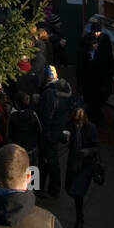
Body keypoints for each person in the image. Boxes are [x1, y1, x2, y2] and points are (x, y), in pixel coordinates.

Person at [38, 69, 73, 198]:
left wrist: (45, 132)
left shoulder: (49, 94)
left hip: (49, 133)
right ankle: (48, 187)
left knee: (47, 161)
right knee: (50, 161)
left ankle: (47, 188)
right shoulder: (66, 92)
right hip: (57, 131)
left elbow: (46, 116)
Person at [65, 104, 99, 228]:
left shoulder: (91, 129)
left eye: (79, 122)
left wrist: (88, 151)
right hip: (74, 162)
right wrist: (64, 138)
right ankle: (79, 217)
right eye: (76, 122)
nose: (77, 125)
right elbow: (64, 138)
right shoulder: (70, 126)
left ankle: (80, 219)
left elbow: (96, 147)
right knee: (69, 188)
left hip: (86, 165)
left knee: (77, 192)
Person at [77, 21, 114, 126]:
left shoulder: (105, 39)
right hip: (90, 77)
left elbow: (108, 57)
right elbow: (81, 61)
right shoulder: (86, 42)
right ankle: (93, 116)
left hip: (101, 75)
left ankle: (95, 114)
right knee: (92, 98)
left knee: (101, 96)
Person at [7, 87, 43, 167]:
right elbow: (40, 130)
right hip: (31, 150)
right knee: (32, 171)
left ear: (16, 103)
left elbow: (8, 134)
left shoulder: (13, 116)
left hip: (18, 151)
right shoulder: (33, 114)